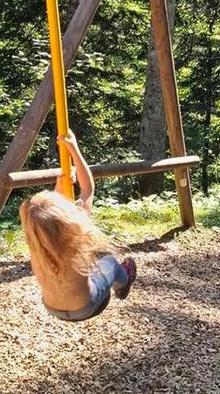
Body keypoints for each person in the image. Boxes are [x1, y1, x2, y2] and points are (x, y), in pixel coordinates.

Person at [19, 129, 136, 322]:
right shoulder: (76, 239)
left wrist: (60, 188)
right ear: (68, 220)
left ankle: (113, 282)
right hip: (88, 307)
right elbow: (88, 189)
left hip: (52, 308)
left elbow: (46, 219)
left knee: (84, 271)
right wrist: (73, 148)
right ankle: (123, 285)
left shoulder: (36, 244)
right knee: (109, 262)